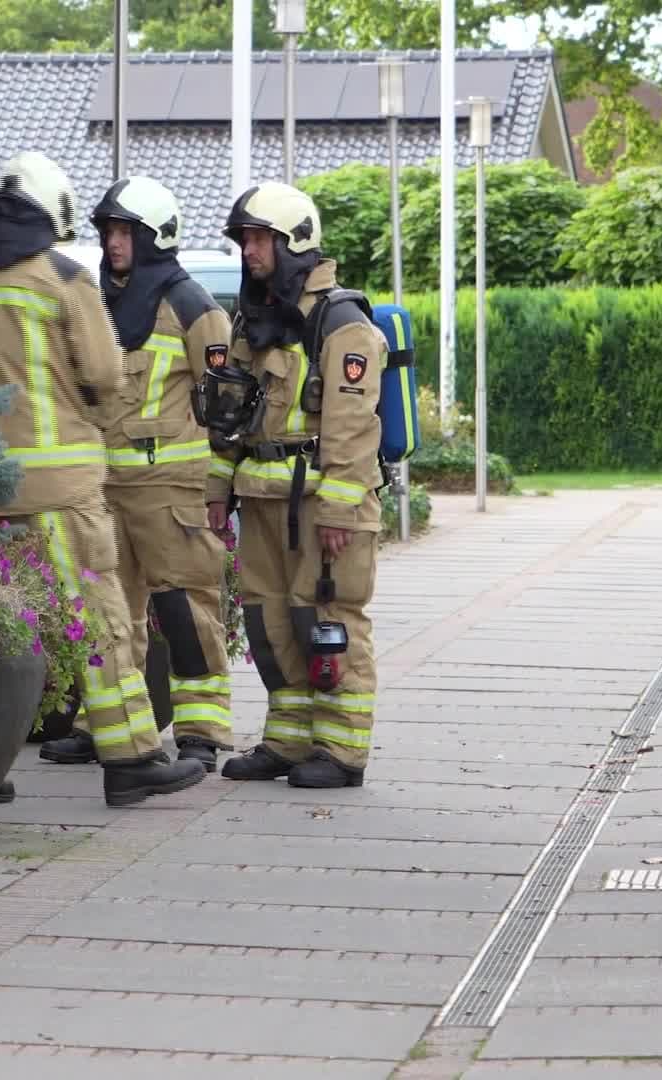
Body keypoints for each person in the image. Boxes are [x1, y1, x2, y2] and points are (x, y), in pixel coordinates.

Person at [0, 152, 207, 808]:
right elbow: (104, 375)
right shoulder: (64, 279)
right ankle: (131, 760)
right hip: (59, 491)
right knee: (99, 620)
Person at [37, 177, 238, 770]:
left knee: (185, 608)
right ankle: (106, 727)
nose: (113, 242)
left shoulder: (194, 308)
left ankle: (202, 729)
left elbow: (225, 410)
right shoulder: (94, 303)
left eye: (126, 231)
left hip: (170, 490)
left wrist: (217, 487)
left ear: (156, 236)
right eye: (108, 231)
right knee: (107, 613)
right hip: (104, 489)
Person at [208, 182, 386, 789]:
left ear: (295, 243)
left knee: (328, 620)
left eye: (260, 239)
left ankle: (341, 750)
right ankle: (287, 739)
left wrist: (340, 508)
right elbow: (230, 415)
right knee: (269, 621)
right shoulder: (252, 319)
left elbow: (353, 424)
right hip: (262, 499)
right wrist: (218, 488)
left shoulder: (342, 323)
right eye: (244, 240)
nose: (249, 251)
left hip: (322, 505)